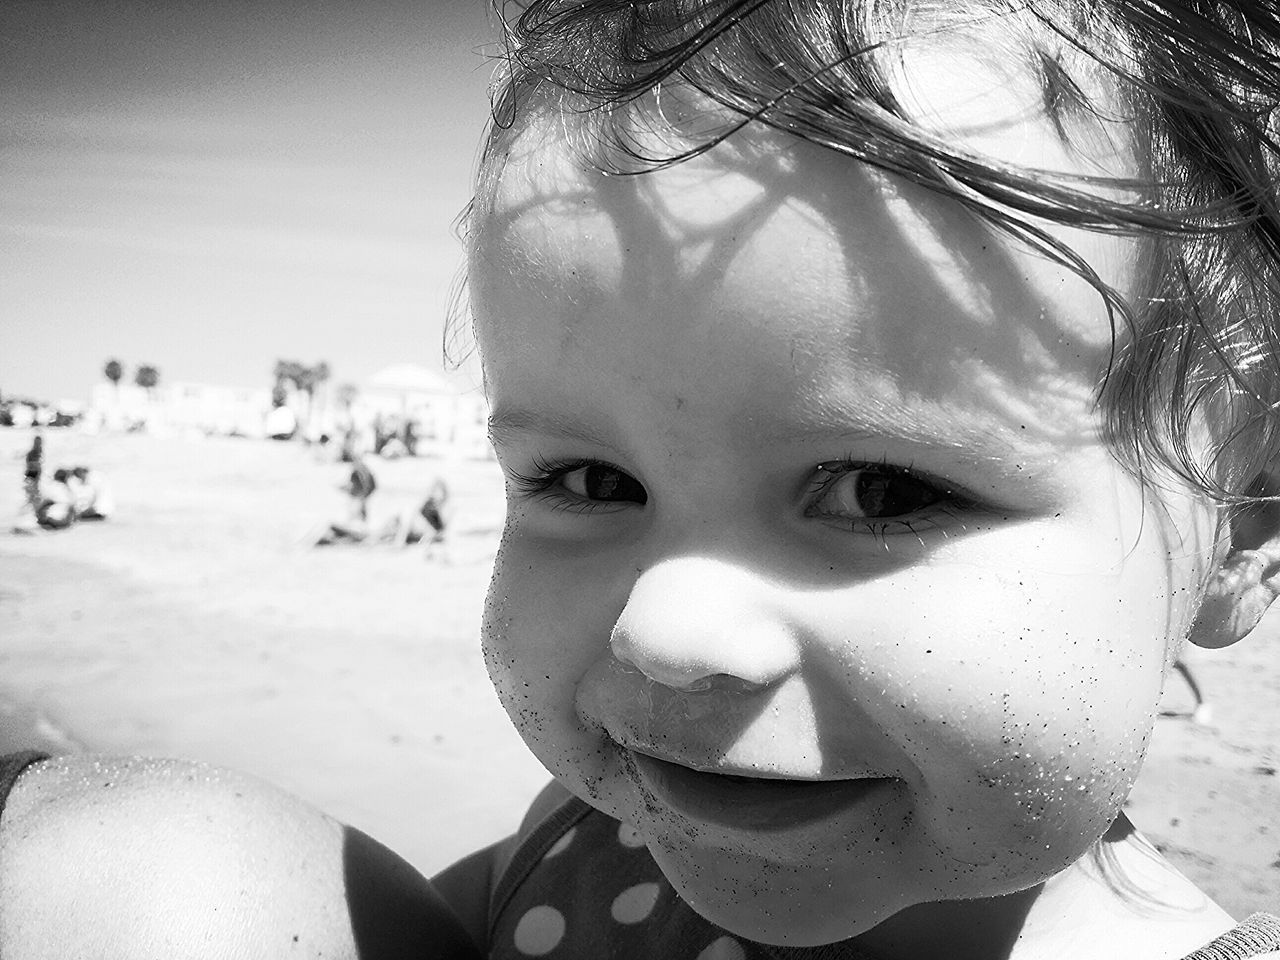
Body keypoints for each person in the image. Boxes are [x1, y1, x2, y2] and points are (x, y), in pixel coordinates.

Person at [3, 2, 1280, 958]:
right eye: (587, 479)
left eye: (882, 492)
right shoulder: (583, 856)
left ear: (1237, 532)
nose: (662, 632)